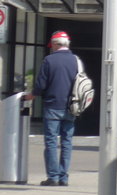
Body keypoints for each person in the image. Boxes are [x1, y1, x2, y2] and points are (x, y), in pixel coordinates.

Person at [25, 30, 80, 186]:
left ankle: (53, 177)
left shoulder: (49, 60)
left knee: (51, 142)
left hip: (52, 106)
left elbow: (41, 85)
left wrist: (32, 96)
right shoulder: (76, 61)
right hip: (71, 107)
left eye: (52, 45)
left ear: (56, 44)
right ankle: (64, 177)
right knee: (67, 142)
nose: (52, 48)